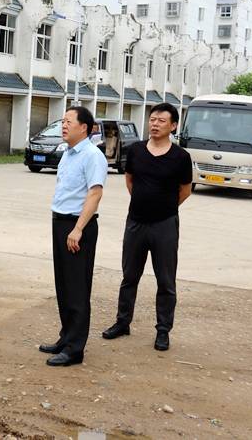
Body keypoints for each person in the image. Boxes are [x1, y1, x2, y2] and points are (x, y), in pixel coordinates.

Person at [102, 103, 192, 352]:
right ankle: (122, 323)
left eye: (161, 121)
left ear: (173, 126)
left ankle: (163, 331)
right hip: (136, 222)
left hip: (165, 225)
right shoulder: (137, 150)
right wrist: (144, 203)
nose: (155, 124)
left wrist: (163, 208)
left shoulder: (181, 157)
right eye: (152, 119)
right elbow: (130, 181)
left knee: (165, 281)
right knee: (129, 276)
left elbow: (185, 190)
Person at [39, 106, 108, 366]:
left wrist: (78, 229)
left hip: (78, 226)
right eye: (62, 122)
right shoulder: (68, 153)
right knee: (64, 285)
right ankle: (65, 337)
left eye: (68, 122)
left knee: (77, 288)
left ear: (85, 128)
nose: (63, 126)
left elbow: (95, 194)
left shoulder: (92, 155)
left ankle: (75, 349)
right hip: (61, 223)